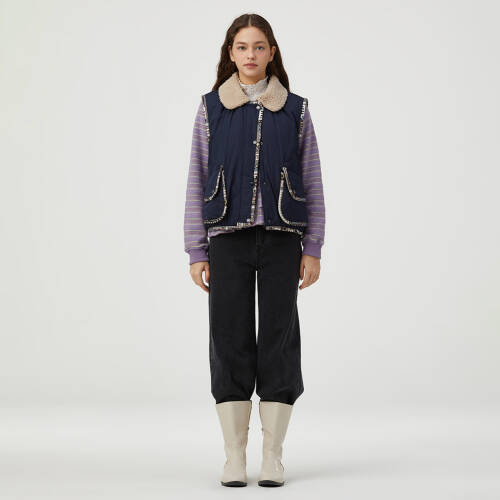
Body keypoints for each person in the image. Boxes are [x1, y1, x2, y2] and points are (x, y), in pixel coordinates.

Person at [183, 13, 325, 487]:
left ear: (271, 52)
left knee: (279, 339)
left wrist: (313, 246)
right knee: (229, 339)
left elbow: (312, 179)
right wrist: (196, 249)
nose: (250, 55)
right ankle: (234, 455)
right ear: (230, 52)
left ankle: (273, 454)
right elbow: (197, 176)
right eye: (242, 47)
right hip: (227, 239)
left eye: (259, 46)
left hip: (284, 240)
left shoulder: (296, 110)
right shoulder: (211, 109)